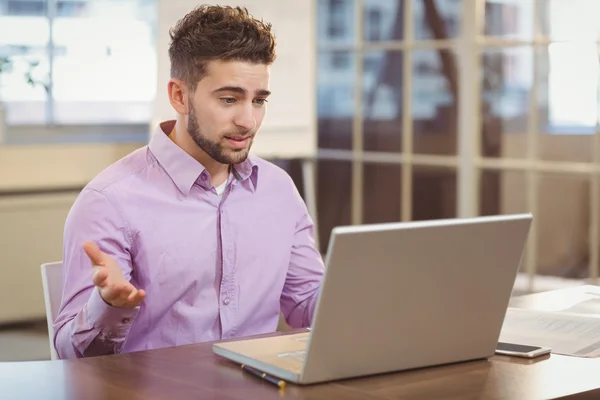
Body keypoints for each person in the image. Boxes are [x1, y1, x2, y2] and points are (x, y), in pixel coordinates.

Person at [53, 5, 324, 359]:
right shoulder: (109, 201)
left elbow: (306, 303)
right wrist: (107, 305)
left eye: (258, 100)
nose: (248, 120)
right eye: (229, 99)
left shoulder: (278, 190)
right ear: (179, 96)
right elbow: (70, 358)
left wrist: (370, 288)